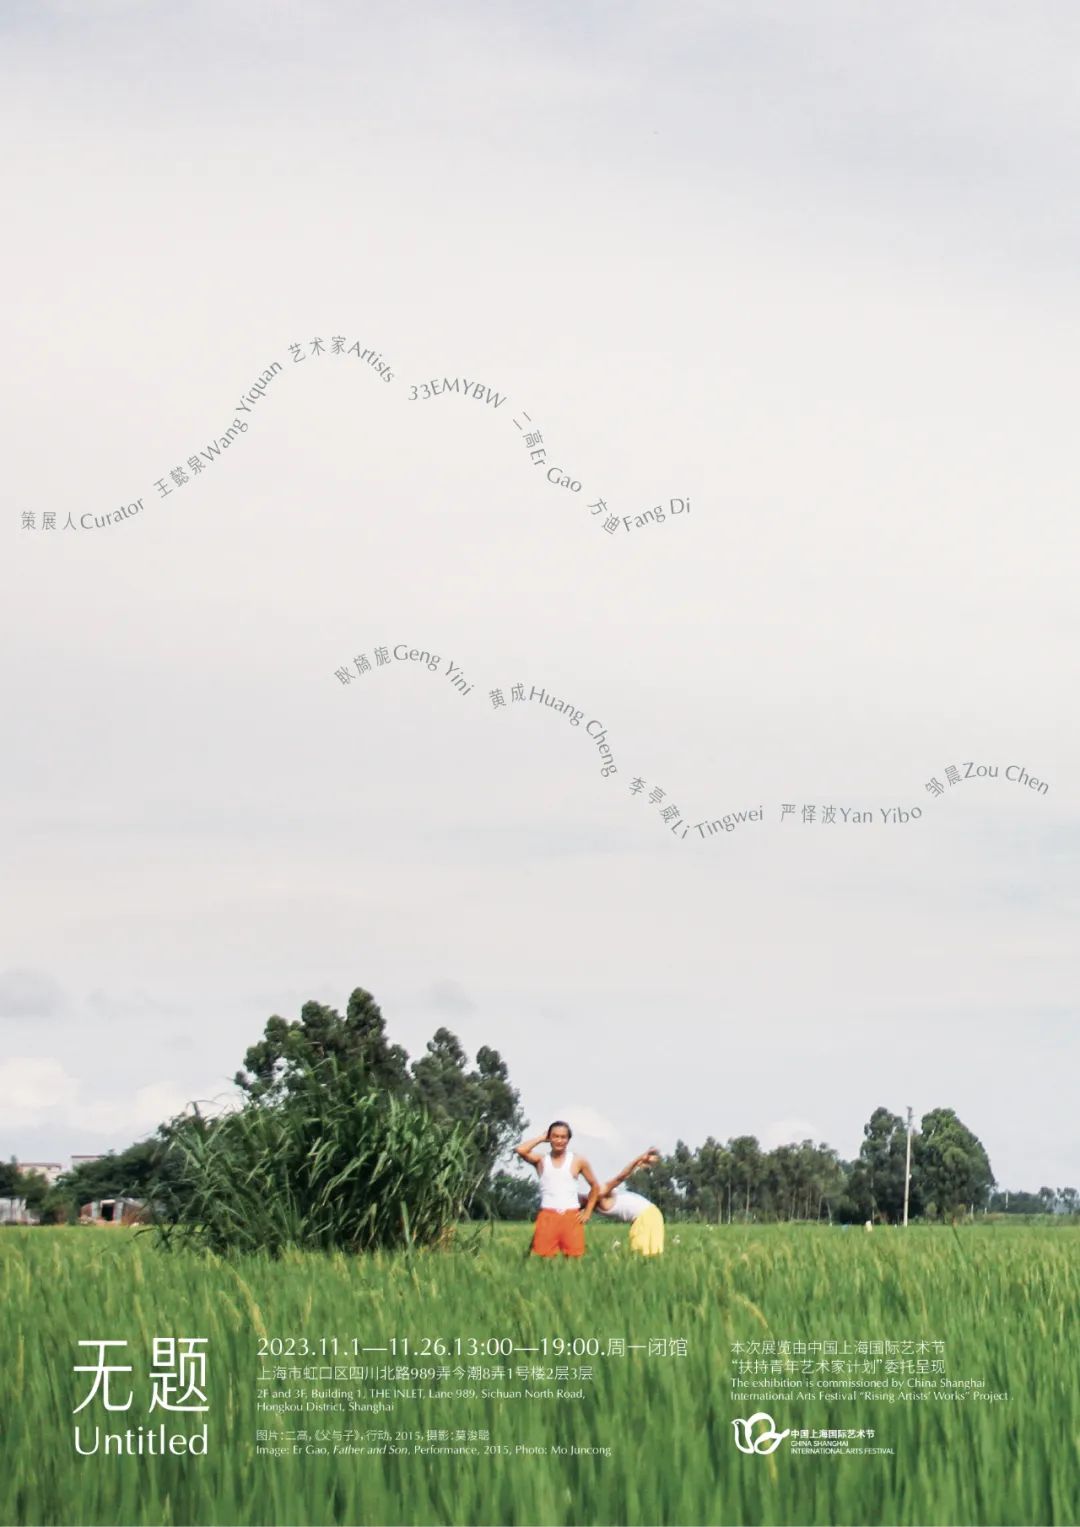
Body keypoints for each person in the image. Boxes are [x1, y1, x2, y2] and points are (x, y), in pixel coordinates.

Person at [515, 1120, 601, 1258]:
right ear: (550, 1138)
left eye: (563, 1137)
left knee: (574, 1259)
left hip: (571, 1216)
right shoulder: (541, 1160)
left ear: (568, 1139)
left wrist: (588, 1211)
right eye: (555, 1136)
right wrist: (541, 1138)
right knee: (544, 1260)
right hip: (548, 1215)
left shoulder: (578, 1160)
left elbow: (595, 1186)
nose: (559, 1140)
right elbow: (520, 1150)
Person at [582, 1148, 666, 1255]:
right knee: (650, 1255)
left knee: (642, 1255)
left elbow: (621, 1177)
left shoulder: (601, 1192)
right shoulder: (586, 1204)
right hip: (651, 1214)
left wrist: (639, 1159)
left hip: (646, 1216)